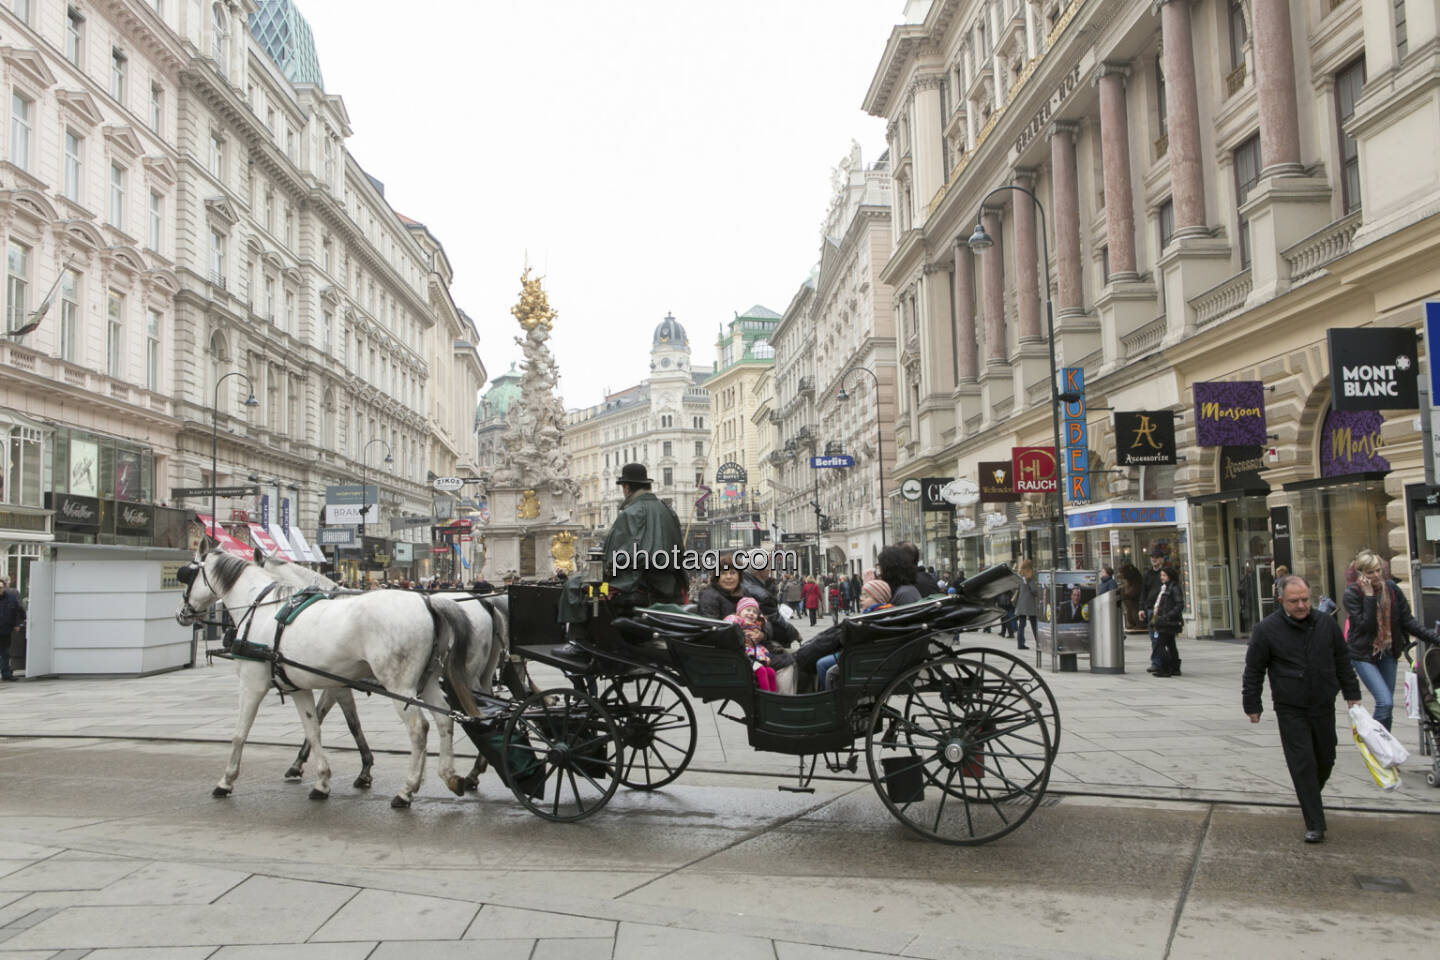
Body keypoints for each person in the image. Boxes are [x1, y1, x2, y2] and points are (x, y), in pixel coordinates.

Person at [1243, 574, 1361, 844]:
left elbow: (1342, 659)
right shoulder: (1266, 630)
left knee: (1326, 756)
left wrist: (1351, 693)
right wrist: (1252, 703)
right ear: (1281, 600)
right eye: (1294, 601)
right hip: (1290, 706)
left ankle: (1309, 796)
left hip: (1322, 703)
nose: (1301, 605)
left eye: (1305, 599)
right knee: (1303, 763)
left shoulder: (1326, 624)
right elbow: (1254, 670)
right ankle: (1315, 823)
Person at [555, 463, 685, 656]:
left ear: (626, 488)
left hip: (635, 583)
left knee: (575, 585)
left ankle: (579, 642)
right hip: (667, 584)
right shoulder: (668, 511)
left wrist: (606, 569)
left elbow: (614, 556)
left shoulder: (631, 513)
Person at [1342, 550, 1440, 731]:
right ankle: (1375, 742)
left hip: (1388, 652)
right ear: (1361, 573)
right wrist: (1369, 596)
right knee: (1384, 702)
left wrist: (1436, 639)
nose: (1376, 575)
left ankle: (1384, 748)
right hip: (1363, 655)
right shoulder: (1352, 594)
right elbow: (1366, 626)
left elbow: (1408, 621)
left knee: (1388, 706)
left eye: (1378, 570)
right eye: (1370, 572)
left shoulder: (1392, 589)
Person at [816, 578, 893, 690]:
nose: (861, 599)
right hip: (862, 653)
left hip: (862, 656)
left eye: (866, 596)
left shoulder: (875, 615)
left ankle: (830, 700)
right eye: (861, 595)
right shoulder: (879, 612)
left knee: (823, 665)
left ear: (878, 599)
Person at [728, 603, 778, 693]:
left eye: (754, 612)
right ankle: (766, 696)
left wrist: (759, 622)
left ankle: (774, 696)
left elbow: (763, 621)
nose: (751, 613)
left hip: (755, 655)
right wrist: (747, 623)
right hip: (742, 656)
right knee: (761, 670)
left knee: (770, 672)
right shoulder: (735, 619)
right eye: (748, 610)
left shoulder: (755, 626)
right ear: (739, 612)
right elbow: (730, 620)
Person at [1151, 567, 1184, 677]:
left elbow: (1179, 604)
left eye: (1164, 575)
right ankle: (1175, 668)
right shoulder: (1166, 587)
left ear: (1169, 576)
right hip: (1166, 620)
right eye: (1161, 575)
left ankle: (1166, 668)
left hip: (1168, 621)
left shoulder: (1173, 587)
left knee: (1160, 645)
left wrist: (1167, 616)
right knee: (1171, 644)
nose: (1162, 578)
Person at [1138, 546, 1167, 672]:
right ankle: (1157, 662)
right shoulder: (1148, 574)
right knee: (1153, 638)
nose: (1154, 560)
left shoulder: (1165, 574)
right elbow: (1143, 592)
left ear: (1161, 559)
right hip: (1150, 610)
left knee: (1163, 639)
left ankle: (1163, 662)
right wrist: (1141, 608)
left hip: (1162, 611)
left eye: (1156, 557)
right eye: (1152, 558)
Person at [1012, 559, 1039, 650]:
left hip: (1021, 605)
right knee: (1034, 624)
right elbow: (1034, 591)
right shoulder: (1029, 578)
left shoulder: (1020, 577)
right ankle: (1039, 643)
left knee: (1022, 625)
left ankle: (1020, 644)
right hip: (1029, 605)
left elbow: (1016, 589)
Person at [0, 576, 22, 682]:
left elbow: (18, 611)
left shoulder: (11, 597)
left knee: (5, 653)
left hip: (5, 630)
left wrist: (17, 623)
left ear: (4, 587)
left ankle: (6, 674)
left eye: (1, 587)